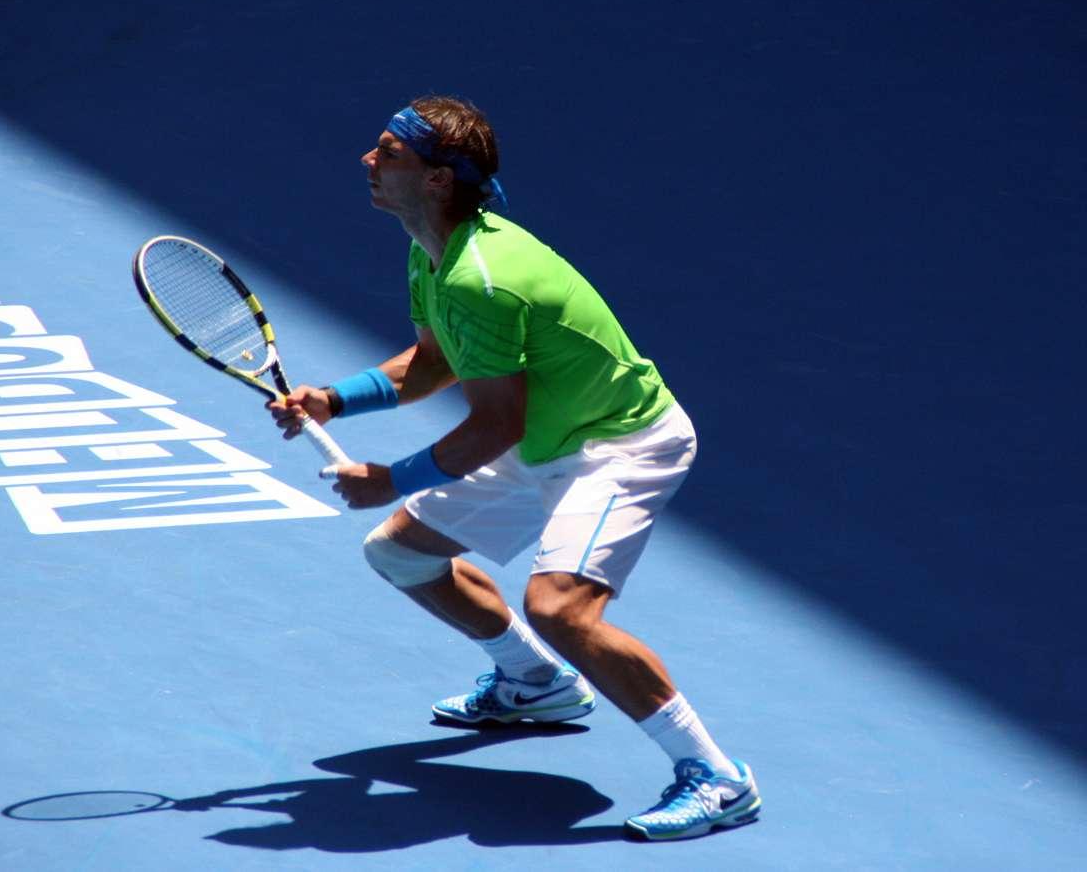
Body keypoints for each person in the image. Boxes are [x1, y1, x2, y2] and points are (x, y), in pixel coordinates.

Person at [267, 95, 760, 841]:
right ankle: (535, 685)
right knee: (400, 552)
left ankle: (717, 777)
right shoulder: (430, 248)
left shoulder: (480, 278)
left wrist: (388, 480)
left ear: (437, 180)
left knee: (561, 608)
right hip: (542, 441)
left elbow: (499, 422)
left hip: (616, 444)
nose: (368, 161)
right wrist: (336, 401)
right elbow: (433, 363)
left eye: (389, 153)